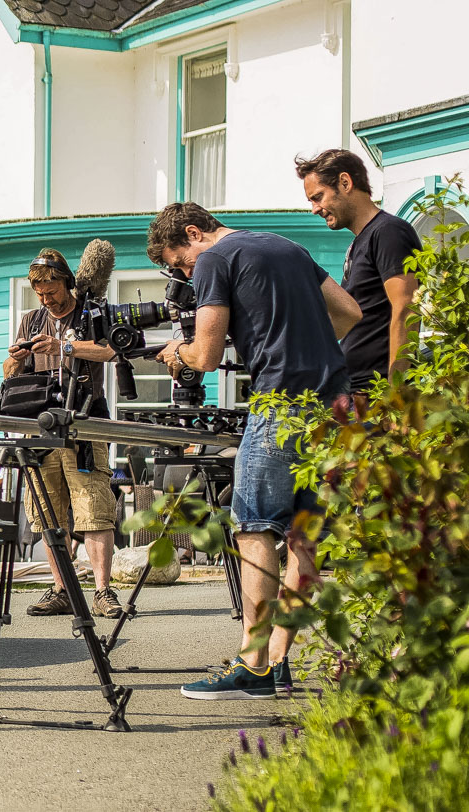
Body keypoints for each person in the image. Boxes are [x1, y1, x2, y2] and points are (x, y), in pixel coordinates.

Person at [146, 202, 361, 700]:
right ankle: (278, 660)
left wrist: (174, 353)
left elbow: (205, 355)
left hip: (282, 401)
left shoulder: (216, 260)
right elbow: (350, 312)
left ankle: (253, 664)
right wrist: (305, 346)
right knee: (305, 538)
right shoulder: (288, 247)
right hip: (336, 404)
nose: (185, 273)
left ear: (194, 234)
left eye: (179, 262)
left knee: (255, 527)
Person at [3, 249, 125, 620]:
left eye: (51, 289)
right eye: (39, 291)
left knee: (93, 508)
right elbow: (9, 373)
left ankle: (103, 591)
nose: (46, 298)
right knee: (47, 510)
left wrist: (63, 346)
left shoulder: (90, 313)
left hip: (85, 421)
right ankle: (62, 589)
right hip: (39, 424)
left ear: (67, 282)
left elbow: (111, 351)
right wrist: (18, 356)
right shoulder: (31, 320)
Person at [296, 149, 422, 403]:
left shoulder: (389, 232)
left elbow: (407, 307)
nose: (314, 209)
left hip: (377, 395)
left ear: (345, 182)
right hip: (355, 391)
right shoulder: (359, 243)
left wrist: (396, 393)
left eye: (318, 197)